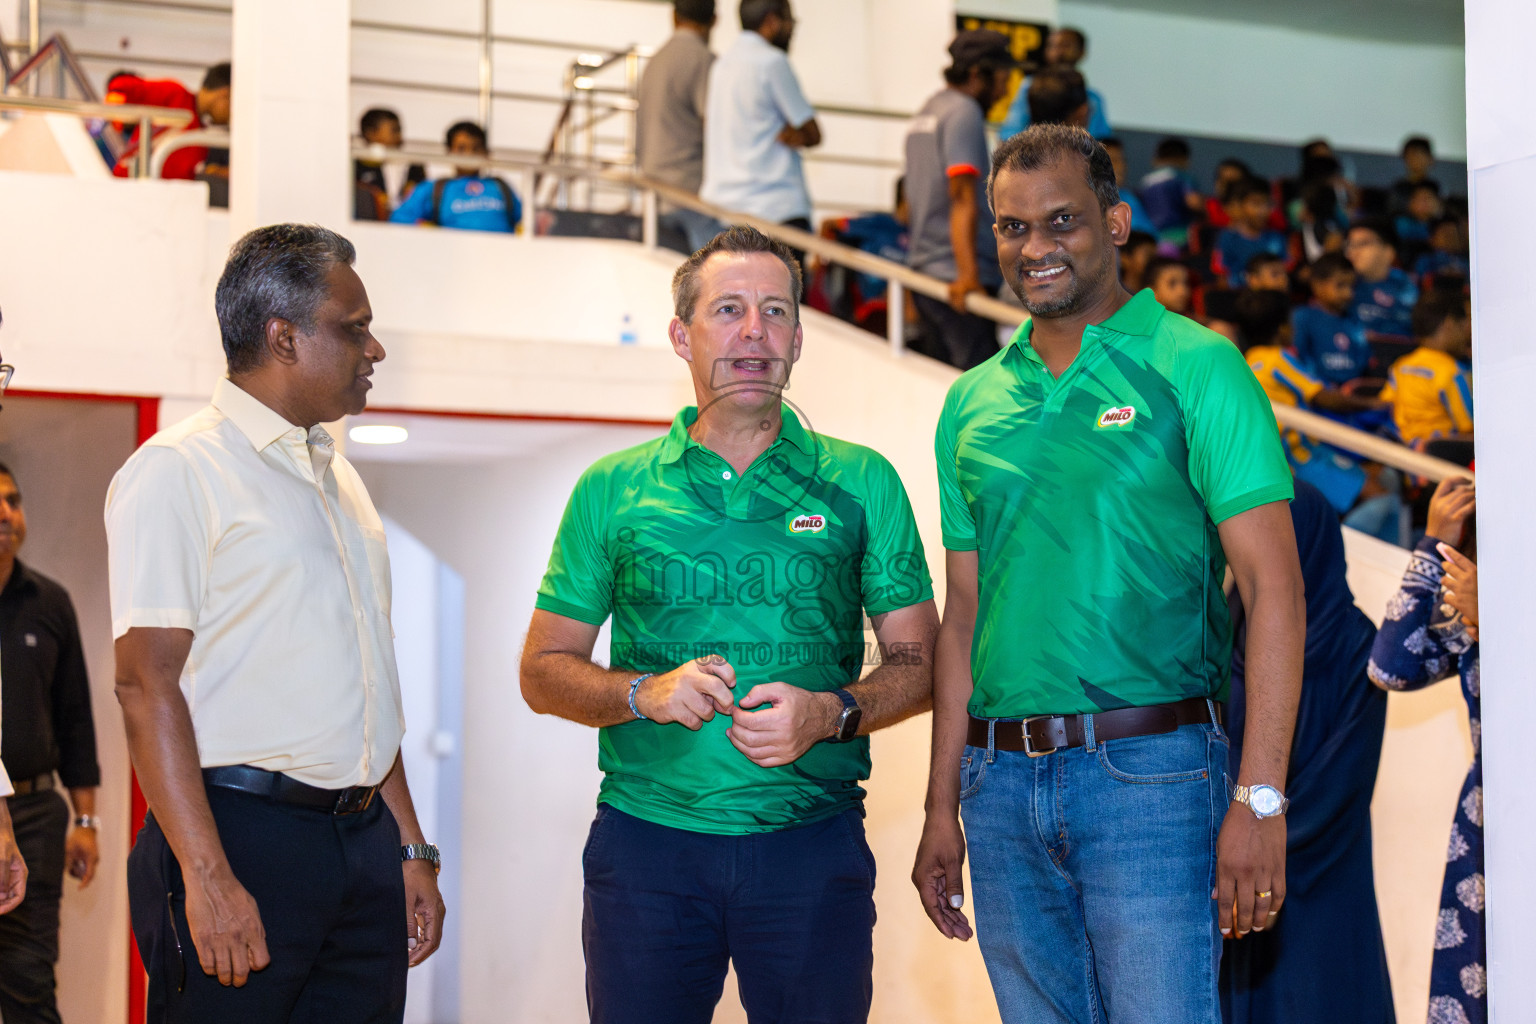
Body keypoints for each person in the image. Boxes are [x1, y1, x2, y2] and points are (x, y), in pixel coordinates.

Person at [914, 124, 1304, 1024]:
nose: (1035, 248)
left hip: (1156, 777)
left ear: (1117, 222)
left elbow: (1277, 594)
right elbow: (963, 617)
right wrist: (944, 805)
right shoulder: (970, 401)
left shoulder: (1198, 366)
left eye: (1063, 222)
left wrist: (1261, 796)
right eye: (1012, 228)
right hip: (999, 788)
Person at [521, 225, 938, 1024]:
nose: (755, 332)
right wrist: (643, 693)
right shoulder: (612, 489)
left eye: (776, 311)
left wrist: (832, 713)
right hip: (647, 849)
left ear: (799, 338)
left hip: (812, 849)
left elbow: (921, 660)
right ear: (682, 334)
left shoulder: (862, 479)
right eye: (730, 309)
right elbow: (542, 670)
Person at [106, 224, 444, 1022]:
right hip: (238, 837)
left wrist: (408, 844)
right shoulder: (180, 469)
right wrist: (208, 875)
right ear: (283, 337)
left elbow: (368, 684)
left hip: (361, 842)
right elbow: (142, 686)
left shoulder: (340, 480)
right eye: (353, 328)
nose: (375, 350)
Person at [1219, 478, 1393, 1024]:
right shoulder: (1222, 637)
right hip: (1231, 883)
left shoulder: (1358, 647)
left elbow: (1342, 786)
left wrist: (1247, 838)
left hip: (1320, 890)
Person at [1369, 476, 1483, 1024]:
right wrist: (1432, 545)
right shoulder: (1475, 592)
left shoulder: (1490, 602)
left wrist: (1504, 619)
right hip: (1486, 827)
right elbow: (1391, 666)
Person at [0, 463, 102, 1024]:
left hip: (36, 815)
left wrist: (87, 823)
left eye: (13, 500)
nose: (4, 513)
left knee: (29, 980)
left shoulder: (50, 602)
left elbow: (76, 720)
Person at [904, 29, 1015, 370]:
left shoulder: (928, 110)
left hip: (926, 272)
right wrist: (969, 277)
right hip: (957, 278)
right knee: (982, 390)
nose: (1002, 92)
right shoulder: (965, 112)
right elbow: (962, 195)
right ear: (976, 74)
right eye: (1000, 81)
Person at [700, 0, 820, 261]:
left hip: (726, 214)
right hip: (775, 212)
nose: (792, 29)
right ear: (772, 21)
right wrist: (796, 133)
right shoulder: (772, 62)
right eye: (790, 21)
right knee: (787, 299)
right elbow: (813, 133)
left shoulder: (721, 66)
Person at [637, 0, 721, 254]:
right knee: (724, 281)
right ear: (715, 20)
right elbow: (715, 126)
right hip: (690, 196)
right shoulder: (704, 60)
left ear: (674, 17)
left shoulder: (655, 61)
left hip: (654, 194)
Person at [390, 121, 521, 233]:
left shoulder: (500, 186)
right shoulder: (435, 188)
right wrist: (431, 233)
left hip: (501, 257)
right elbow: (399, 219)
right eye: (461, 149)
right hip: (451, 258)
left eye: (476, 148)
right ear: (449, 152)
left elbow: (526, 221)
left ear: (486, 153)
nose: (469, 154)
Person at [106, 62, 231, 180]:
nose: (231, 116)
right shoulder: (175, 94)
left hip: (155, 197)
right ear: (225, 94)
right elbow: (121, 86)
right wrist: (119, 118)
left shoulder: (201, 141)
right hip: (124, 185)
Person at [1380, 290, 1474, 445]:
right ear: (1450, 324)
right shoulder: (1454, 372)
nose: (1469, 333)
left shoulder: (1401, 365)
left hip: (1400, 451)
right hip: (1437, 459)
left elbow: (1385, 404)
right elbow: (1469, 429)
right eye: (1466, 324)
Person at [998, 27, 1111, 139]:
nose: (1058, 52)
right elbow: (1011, 133)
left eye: (1066, 45)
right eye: (1052, 46)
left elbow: (1102, 140)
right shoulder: (1030, 87)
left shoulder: (1093, 99)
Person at [1291, 252, 1370, 386]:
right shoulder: (1303, 317)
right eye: (1340, 285)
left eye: (1352, 287)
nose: (1348, 294)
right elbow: (1298, 358)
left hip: (1350, 392)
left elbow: (1363, 359)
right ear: (1317, 285)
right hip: (1316, 392)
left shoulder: (1354, 320)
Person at [1345, 218, 1418, 345]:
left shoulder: (1407, 287)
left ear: (1389, 252)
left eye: (1362, 243)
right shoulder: (1342, 285)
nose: (1352, 252)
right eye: (1350, 245)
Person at [1212, 177, 1288, 288]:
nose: (1263, 210)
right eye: (1256, 204)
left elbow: (1285, 271)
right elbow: (1222, 278)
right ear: (1238, 206)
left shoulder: (1276, 238)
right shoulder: (1227, 239)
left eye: (1267, 204)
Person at [354, 108, 425, 220]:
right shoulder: (355, 167)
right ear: (371, 133)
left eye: (400, 130)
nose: (400, 136)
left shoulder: (413, 166)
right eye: (394, 130)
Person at [1101, 138, 1155, 236]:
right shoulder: (1083, 201)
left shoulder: (1129, 199)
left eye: (1122, 161)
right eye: (1113, 160)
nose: (1121, 167)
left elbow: (1149, 235)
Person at [1390, 136, 1439, 215]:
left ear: (1430, 159)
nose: (1415, 160)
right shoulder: (1399, 188)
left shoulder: (1435, 187)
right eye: (1411, 155)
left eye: (1420, 155)